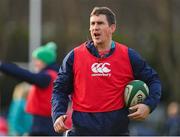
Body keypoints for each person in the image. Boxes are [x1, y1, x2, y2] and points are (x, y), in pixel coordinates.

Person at [52, 7, 162, 136]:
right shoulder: (74, 56)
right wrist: (58, 114)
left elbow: (154, 80)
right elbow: (59, 89)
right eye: (92, 23)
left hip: (116, 132)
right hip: (82, 132)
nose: (95, 27)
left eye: (100, 23)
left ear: (112, 28)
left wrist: (148, 106)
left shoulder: (128, 55)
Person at [0, 42, 60, 135]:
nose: (35, 63)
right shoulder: (53, 75)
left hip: (43, 126)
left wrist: (2, 66)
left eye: (37, 60)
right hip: (46, 124)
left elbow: (24, 75)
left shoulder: (46, 77)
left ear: (45, 61)